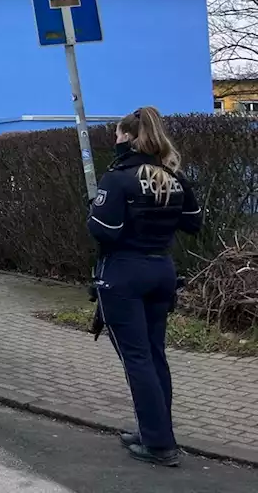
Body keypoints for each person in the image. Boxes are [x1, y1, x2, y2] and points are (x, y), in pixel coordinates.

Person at [87, 106, 202, 467]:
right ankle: (155, 431)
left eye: (118, 135)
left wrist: (94, 210)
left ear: (129, 137)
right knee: (154, 355)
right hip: (162, 271)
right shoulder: (172, 176)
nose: (115, 141)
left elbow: (104, 231)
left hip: (124, 273)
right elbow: (193, 223)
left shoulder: (118, 178)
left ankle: (158, 444)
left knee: (137, 359)